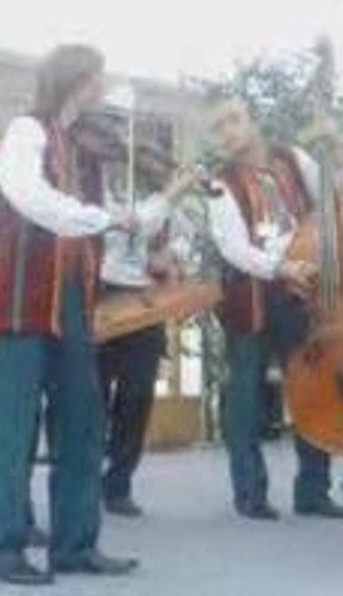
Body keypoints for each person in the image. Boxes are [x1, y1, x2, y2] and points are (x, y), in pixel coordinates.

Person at [0, 45, 139, 586]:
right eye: (98, 76)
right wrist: (99, 218)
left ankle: (74, 545)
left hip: (70, 297)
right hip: (22, 300)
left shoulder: (76, 144)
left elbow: (90, 227)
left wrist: (122, 225)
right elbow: (30, 197)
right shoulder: (27, 132)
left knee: (82, 423)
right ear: (80, 80)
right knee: (12, 430)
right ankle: (3, 551)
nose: (103, 85)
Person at [205, 95, 343, 522]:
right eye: (219, 127)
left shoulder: (293, 158)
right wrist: (282, 266)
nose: (229, 131)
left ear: (253, 121)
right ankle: (250, 493)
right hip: (250, 294)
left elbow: (335, 196)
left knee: (313, 389)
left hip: (302, 290)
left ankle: (313, 491)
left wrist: (337, 150)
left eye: (234, 120)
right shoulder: (219, 183)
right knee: (246, 396)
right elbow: (234, 249)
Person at [98, 165, 197, 517]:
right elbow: (135, 223)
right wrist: (169, 196)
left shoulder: (169, 203)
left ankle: (119, 482)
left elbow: (186, 238)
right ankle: (87, 476)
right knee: (95, 391)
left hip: (146, 297)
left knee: (137, 394)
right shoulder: (104, 187)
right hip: (106, 293)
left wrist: (173, 255)